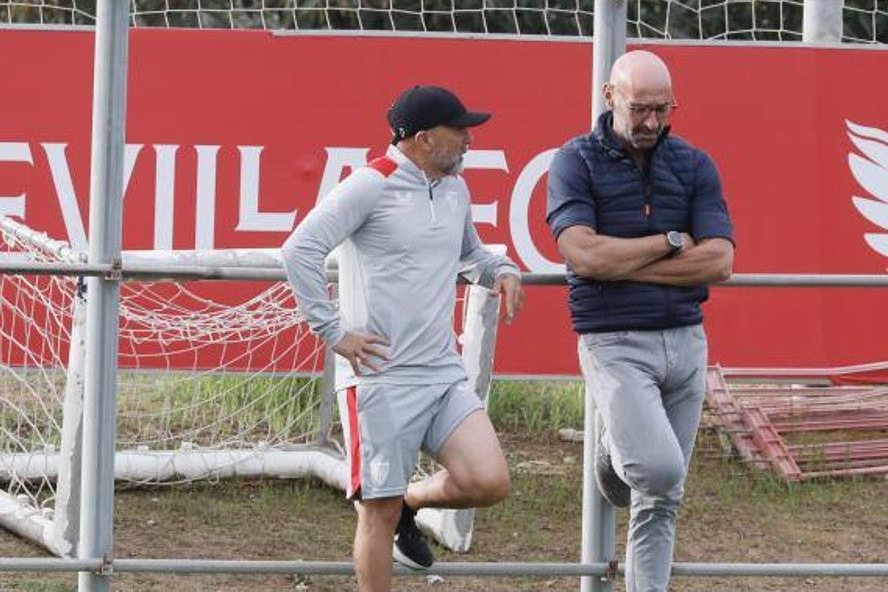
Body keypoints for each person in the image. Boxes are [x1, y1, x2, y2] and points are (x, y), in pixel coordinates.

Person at [282, 85, 524, 591]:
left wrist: (501, 269)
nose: (468, 139)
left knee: (489, 480)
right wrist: (334, 333)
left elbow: (472, 255)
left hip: (440, 371)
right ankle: (397, 508)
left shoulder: (455, 189)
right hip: (379, 379)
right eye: (459, 130)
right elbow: (299, 250)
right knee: (377, 514)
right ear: (422, 138)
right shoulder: (369, 184)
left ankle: (412, 501)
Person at [546, 50, 734, 591]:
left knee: (663, 498)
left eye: (661, 110)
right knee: (659, 472)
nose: (651, 122)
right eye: (639, 109)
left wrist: (626, 265)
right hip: (614, 340)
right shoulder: (574, 160)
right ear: (610, 98)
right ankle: (611, 453)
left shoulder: (695, 163)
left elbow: (719, 261)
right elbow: (584, 257)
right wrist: (671, 244)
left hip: (686, 338)